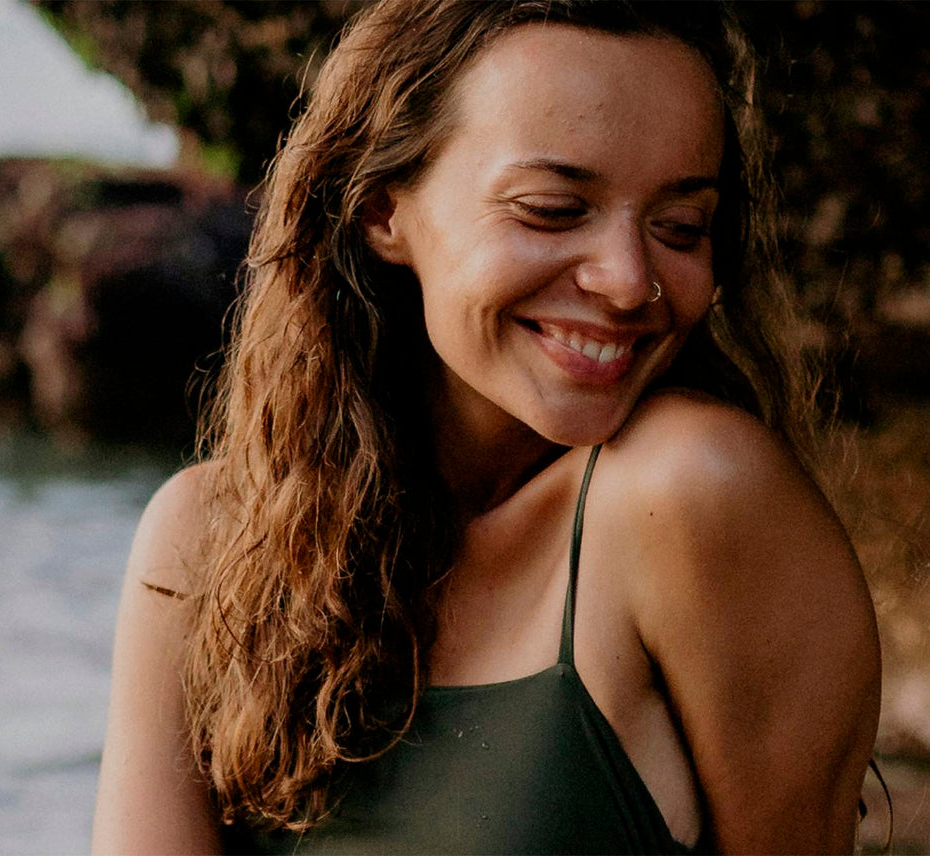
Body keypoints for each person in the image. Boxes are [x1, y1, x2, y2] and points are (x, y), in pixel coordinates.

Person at [89, 1, 881, 852]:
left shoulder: (690, 492)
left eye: (680, 226)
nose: (627, 280)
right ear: (383, 211)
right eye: (550, 208)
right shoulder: (206, 539)